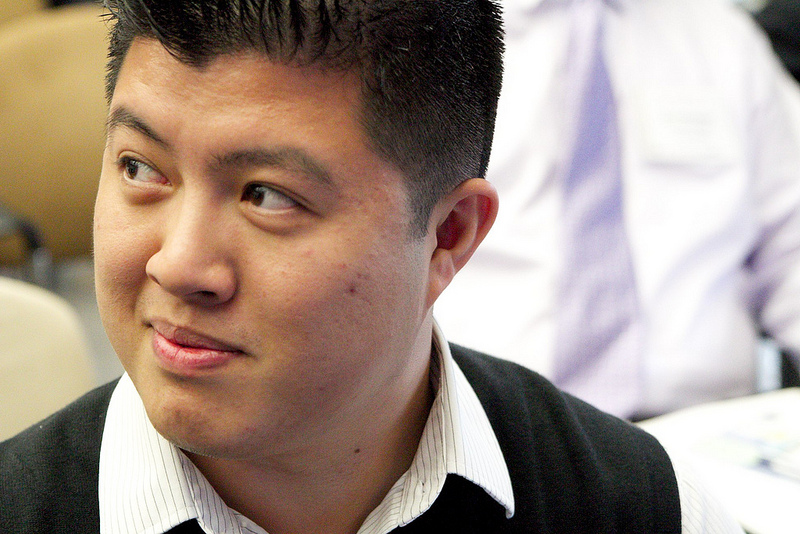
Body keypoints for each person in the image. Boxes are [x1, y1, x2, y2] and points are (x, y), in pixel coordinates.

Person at [1, 1, 742, 532]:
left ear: (448, 235)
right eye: (140, 168)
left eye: (267, 196)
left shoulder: (648, 507)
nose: (180, 263)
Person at [435, 0, 800, 420]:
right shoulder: (431, 32)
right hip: (483, 419)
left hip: (700, 427)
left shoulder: (722, 37)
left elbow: (791, 251)